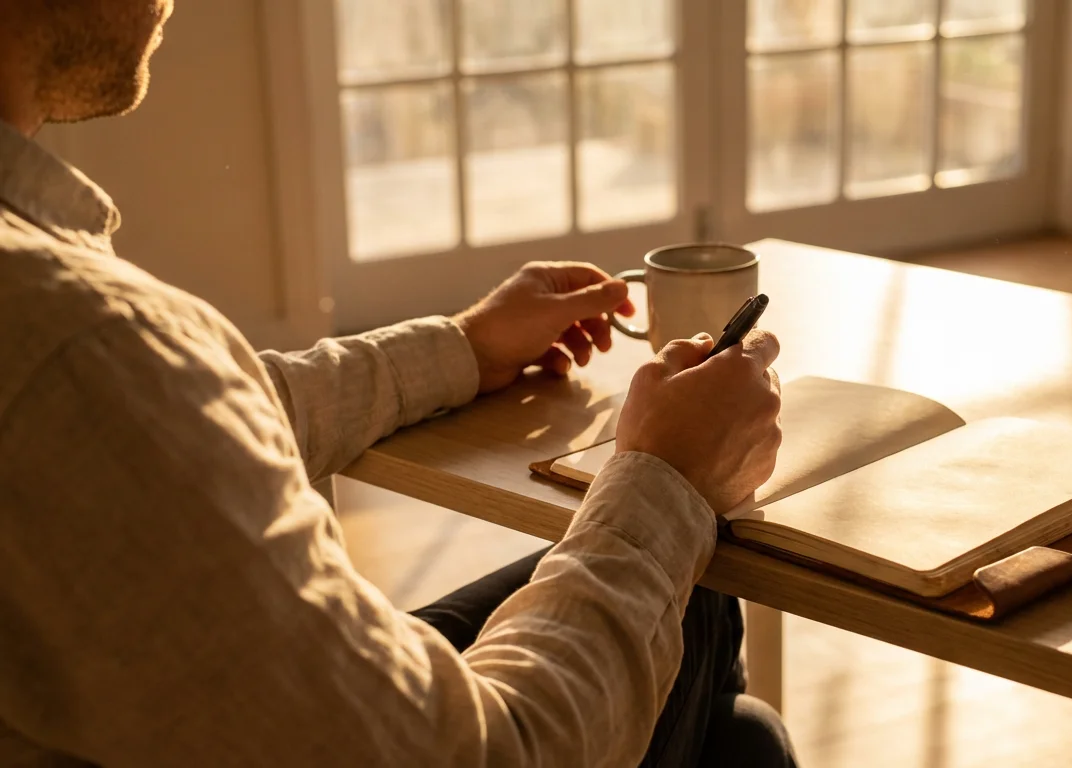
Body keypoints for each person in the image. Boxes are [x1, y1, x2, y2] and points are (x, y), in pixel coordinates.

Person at [0, 1, 796, 766]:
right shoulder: (78, 345)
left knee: (735, 728)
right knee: (706, 640)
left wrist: (459, 350)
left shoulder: (72, 341)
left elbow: (177, 422)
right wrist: (668, 481)